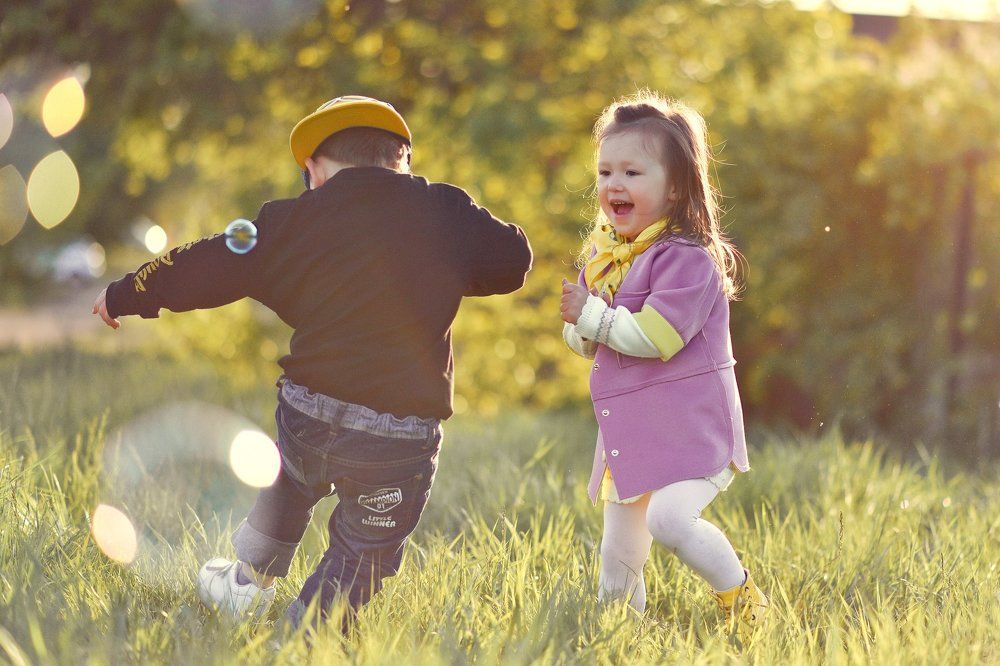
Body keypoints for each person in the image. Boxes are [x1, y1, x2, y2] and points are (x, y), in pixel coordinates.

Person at [93, 95, 533, 629]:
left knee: (287, 482)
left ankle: (245, 582)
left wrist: (126, 293)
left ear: (314, 171)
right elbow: (513, 262)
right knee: (361, 551)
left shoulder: (290, 220)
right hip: (396, 438)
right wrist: (452, 257)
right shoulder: (445, 211)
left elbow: (205, 262)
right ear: (403, 160)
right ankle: (308, 636)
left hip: (307, 414)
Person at [559, 91, 767, 644]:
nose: (613, 184)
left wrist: (594, 318)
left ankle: (743, 600)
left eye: (632, 170)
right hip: (633, 430)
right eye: (605, 171)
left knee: (669, 521)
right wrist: (581, 324)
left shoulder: (688, 258)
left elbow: (656, 338)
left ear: (675, 186)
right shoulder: (606, 255)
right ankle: (617, 637)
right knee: (618, 552)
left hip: (691, 425)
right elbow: (591, 341)